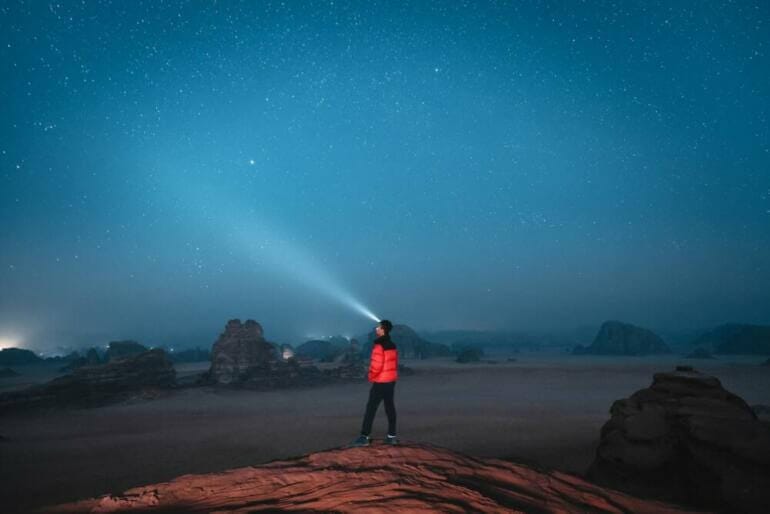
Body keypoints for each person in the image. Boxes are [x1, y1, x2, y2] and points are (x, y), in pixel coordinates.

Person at [351, 319, 398, 446]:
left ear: (383, 329)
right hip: (391, 381)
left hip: (380, 382)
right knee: (390, 407)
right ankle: (391, 436)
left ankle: (364, 437)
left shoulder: (379, 346)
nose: (376, 329)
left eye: (378, 327)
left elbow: (376, 365)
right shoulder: (392, 344)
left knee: (371, 408)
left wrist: (371, 376)